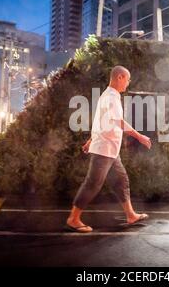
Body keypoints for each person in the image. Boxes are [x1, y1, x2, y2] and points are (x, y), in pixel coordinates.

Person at [66, 66, 152, 233]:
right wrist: (140, 136)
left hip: (110, 149)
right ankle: (73, 219)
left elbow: (101, 122)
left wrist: (90, 140)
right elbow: (118, 121)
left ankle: (130, 215)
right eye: (127, 80)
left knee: (121, 181)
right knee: (93, 184)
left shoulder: (107, 96)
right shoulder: (111, 97)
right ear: (119, 77)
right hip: (104, 150)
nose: (127, 84)